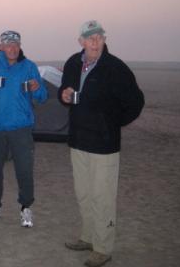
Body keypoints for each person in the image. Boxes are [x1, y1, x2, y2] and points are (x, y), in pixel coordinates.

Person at [58, 21, 144, 267]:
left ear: (104, 40)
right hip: (78, 140)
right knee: (83, 194)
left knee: (103, 197)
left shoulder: (115, 68)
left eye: (99, 37)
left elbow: (136, 102)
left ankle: (103, 248)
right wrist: (63, 95)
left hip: (104, 145)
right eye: (90, 37)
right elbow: (65, 92)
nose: (95, 42)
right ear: (81, 41)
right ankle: (88, 237)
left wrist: (112, 123)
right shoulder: (73, 63)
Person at [0, 30, 47, 228]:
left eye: (15, 44)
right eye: (8, 45)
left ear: (20, 46)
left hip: (21, 127)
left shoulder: (29, 67)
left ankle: (25, 208)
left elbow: (42, 96)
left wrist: (36, 89)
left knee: (24, 170)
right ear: (1, 47)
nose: (12, 48)